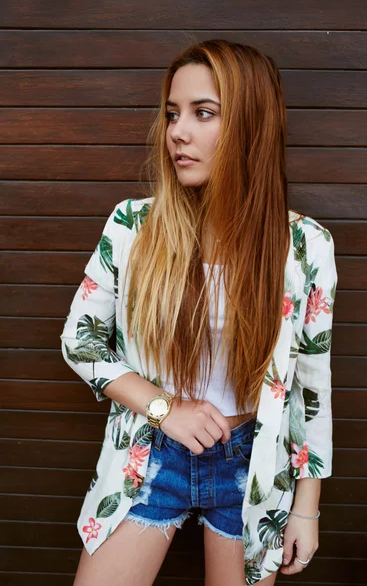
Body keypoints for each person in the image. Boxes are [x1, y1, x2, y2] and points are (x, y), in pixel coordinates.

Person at [60, 39, 338, 586]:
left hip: (251, 466)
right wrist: (165, 408)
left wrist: (308, 505)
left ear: (250, 127)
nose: (177, 133)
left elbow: (311, 386)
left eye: (202, 113)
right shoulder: (133, 226)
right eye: (171, 114)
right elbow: (80, 341)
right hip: (149, 454)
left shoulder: (305, 247)